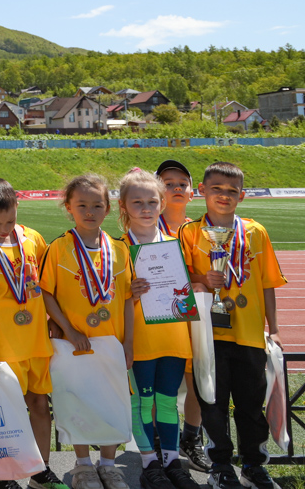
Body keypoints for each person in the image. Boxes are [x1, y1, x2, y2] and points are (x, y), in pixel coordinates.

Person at [178, 162, 286, 489]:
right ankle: (220, 465)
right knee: (213, 404)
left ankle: (254, 464)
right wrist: (201, 277)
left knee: (251, 405)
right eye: (217, 189)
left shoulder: (256, 231)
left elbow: (267, 282)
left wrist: (275, 328)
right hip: (208, 335)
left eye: (232, 191)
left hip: (249, 333)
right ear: (202, 190)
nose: (224, 196)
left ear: (242, 195)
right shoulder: (190, 232)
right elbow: (179, 279)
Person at [0, 178, 65, 489]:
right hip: (3, 348)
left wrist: (56, 321)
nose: (5, 227)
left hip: (36, 343)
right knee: (4, 414)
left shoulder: (33, 239)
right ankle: (0, 474)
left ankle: (40, 469)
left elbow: (46, 285)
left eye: (10, 220)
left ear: (17, 206)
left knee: (39, 405)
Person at [38, 175, 132, 489]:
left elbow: (128, 298)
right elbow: (46, 293)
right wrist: (67, 328)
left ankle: (108, 464)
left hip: (111, 342)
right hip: (73, 344)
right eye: (82, 205)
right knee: (74, 401)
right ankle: (82, 466)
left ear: (108, 209)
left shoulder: (119, 249)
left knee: (112, 402)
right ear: (69, 208)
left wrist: (128, 342)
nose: (89, 211)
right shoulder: (59, 248)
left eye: (97, 205)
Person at [117, 170, 203, 489]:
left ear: (162, 202)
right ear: (124, 206)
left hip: (174, 337)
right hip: (138, 340)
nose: (146, 208)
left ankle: (171, 460)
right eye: (137, 202)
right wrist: (128, 291)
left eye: (152, 201)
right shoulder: (117, 247)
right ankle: (149, 463)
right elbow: (109, 296)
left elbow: (187, 289)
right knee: (141, 403)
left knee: (168, 402)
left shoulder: (175, 244)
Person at [154, 159, 209, 471]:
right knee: (162, 381)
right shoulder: (146, 227)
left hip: (193, 318)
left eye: (181, 183)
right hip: (159, 319)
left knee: (197, 382)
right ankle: (162, 440)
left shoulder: (201, 231)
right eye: (167, 182)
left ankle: (191, 437)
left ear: (192, 192)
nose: (175, 188)